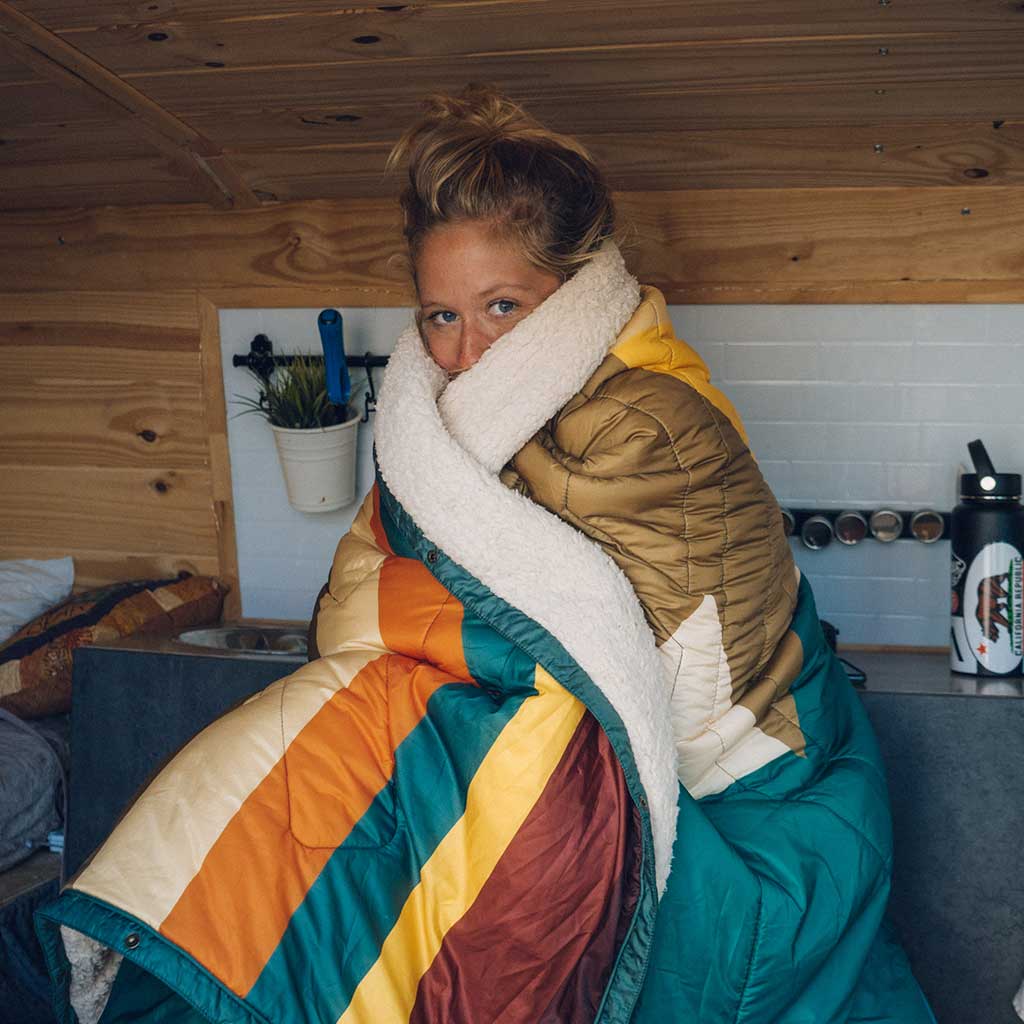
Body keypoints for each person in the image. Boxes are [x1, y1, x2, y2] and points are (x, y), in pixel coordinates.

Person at [36, 85, 935, 1024]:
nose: (466, 352)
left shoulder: (649, 421)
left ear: (573, 291)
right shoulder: (446, 419)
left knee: (392, 784)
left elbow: (667, 687)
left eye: (502, 306)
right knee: (334, 774)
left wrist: (419, 648)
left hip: (749, 791)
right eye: (441, 316)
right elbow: (359, 599)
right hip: (613, 739)